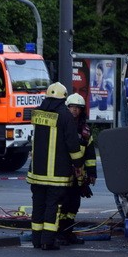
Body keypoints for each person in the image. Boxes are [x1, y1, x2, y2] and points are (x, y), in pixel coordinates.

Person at [26, 82, 82, 250]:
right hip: (56, 175)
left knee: (38, 206)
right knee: (53, 206)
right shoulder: (65, 116)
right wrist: (78, 164)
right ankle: (48, 241)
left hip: (36, 174)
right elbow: (72, 143)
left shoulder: (38, 113)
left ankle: (36, 240)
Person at [57, 93, 96, 245]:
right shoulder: (61, 126)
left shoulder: (85, 131)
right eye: (71, 107)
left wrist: (91, 174)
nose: (74, 110)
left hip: (78, 176)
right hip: (63, 173)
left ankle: (68, 233)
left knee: (74, 205)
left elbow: (90, 155)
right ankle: (59, 233)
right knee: (63, 204)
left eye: (77, 108)